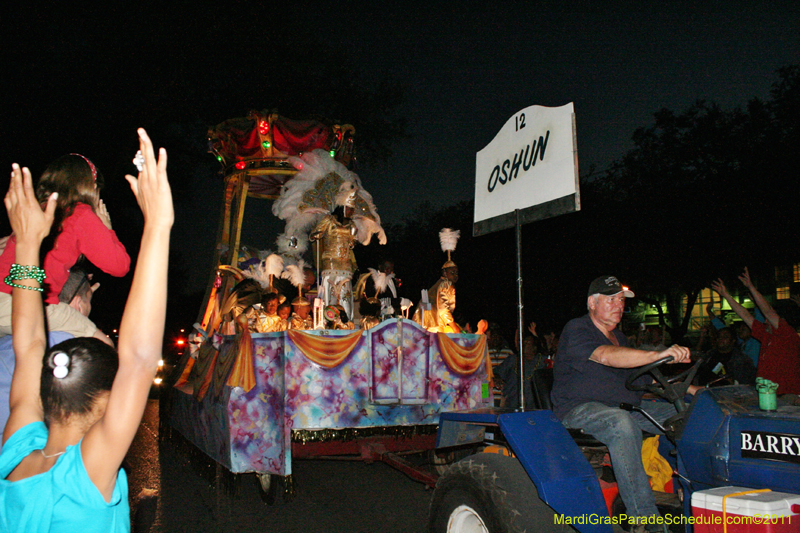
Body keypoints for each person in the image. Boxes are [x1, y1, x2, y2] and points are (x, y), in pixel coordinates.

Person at [0, 128, 173, 531]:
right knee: (106, 345)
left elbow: (28, 345)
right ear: (102, 403)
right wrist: (158, 225)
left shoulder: (15, 452)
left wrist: (27, 244)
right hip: (40, 301)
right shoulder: (86, 478)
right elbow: (138, 360)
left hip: (22, 296)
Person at [551, 276, 691, 533]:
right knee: (620, 423)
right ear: (592, 303)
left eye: (621, 300)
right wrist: (658, 353)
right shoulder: (577, 329)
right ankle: (645, 519)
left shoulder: (620, 338)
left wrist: (693, 388)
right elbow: (605, 356)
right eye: (611, 299)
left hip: (626, 406)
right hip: (580, 410)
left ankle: (691, 494)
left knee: (691, 415)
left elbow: (646, 375)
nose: (619, 305)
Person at [0, 154, 131, 339]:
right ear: (91, 187)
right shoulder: (79, 213)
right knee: (101, 344)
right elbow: (119, 266)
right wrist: (108, 229)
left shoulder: (36, 210)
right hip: (18, 303)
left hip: (6, 299)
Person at [711, 268, 800, 395]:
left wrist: (751, 286)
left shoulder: (787, 334)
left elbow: (768, 311)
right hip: (768, 396)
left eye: (770, 317)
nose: (766, 319)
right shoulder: (766, 334)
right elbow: (745, 316)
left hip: (787, 396)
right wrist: (726, 295)